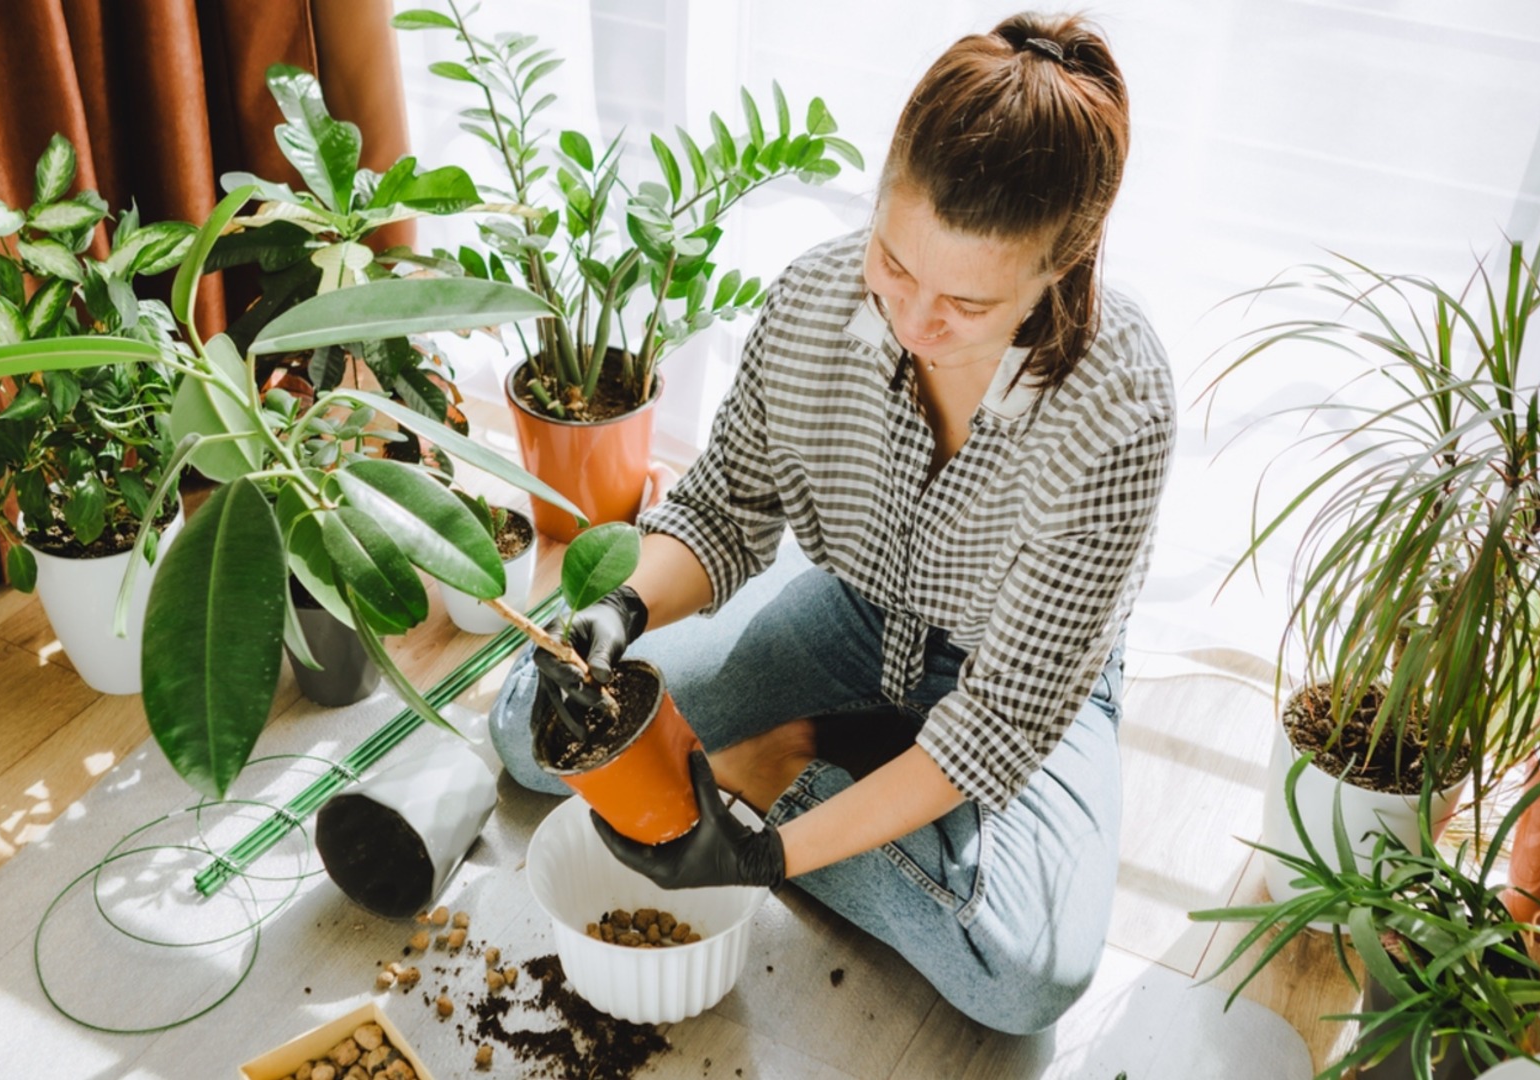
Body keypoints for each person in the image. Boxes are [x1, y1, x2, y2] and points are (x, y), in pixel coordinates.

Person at [487, 12, 1171, 1035]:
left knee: (1024, 975)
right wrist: (626, 608)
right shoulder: (812, 298)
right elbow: (722, 510)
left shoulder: (1118, 410)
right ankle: (798, 743)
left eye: (966, 303)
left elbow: (988, 736)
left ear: (1061, 265)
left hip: (1015, 684)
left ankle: (782, 766)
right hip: (851, 611)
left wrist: (762, 850)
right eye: (895, 262)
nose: (913, 320)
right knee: (532, 736)